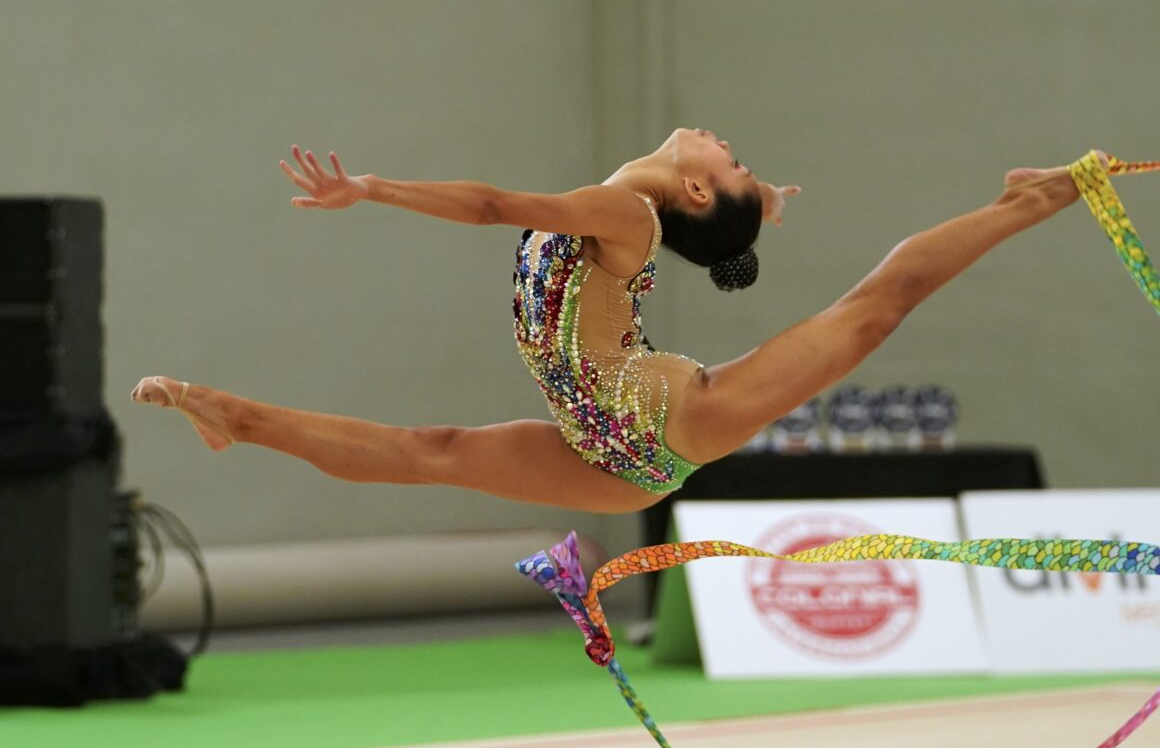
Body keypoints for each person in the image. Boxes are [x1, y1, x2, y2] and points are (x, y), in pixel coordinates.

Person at [131, 130, 1085, 513]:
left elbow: (493, 208)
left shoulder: (624, 216)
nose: (717, 136)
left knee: (875, 311)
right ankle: (233, 416)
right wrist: (760, 207)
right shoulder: (646, 210)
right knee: (430, 449)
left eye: (730, 158)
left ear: (698, 183)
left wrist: (372, 188)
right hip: (605, 455)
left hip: (672, 421)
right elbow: (717, 222)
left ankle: (1029, 201)